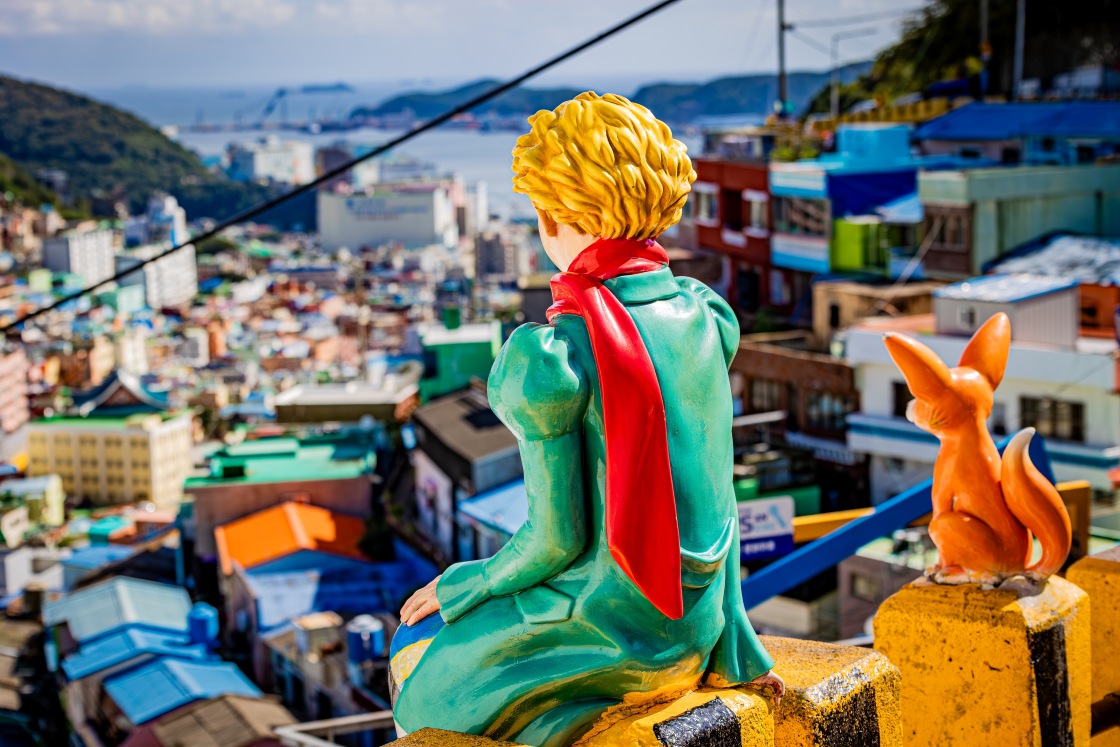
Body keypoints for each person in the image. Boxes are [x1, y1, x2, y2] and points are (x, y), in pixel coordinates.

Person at [391, 91, 782, 747]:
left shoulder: (553, 354)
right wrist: (735, 640)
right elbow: (722, 502)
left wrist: (463, 583)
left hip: (605, 629)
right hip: (697, 631)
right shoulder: (704, 315)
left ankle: (561, 724)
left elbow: (554, 539)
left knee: (420, 696)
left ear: (554, 214)